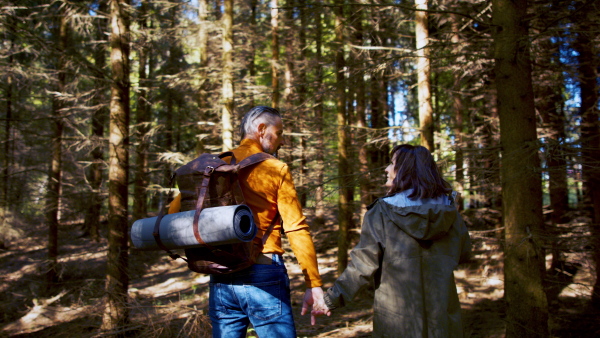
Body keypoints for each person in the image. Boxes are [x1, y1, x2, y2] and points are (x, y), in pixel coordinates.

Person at [169, 106, 326, 338]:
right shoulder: (275, 168)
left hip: (222, 271)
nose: (282, 141)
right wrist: (313, 283)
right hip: (263, 271)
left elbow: (175, 212)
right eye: (279, 133)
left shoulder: (215, 166)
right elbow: (296, 227)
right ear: (262, 130)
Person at [316, 144, 471, 338]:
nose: (386, 169)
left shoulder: (382, 212)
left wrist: (330, 299)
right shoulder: (449, 212)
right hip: (442, 320)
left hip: (398, 322)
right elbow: (464, 252)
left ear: (407, 171)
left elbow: (362, 265)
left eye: (392, 163)